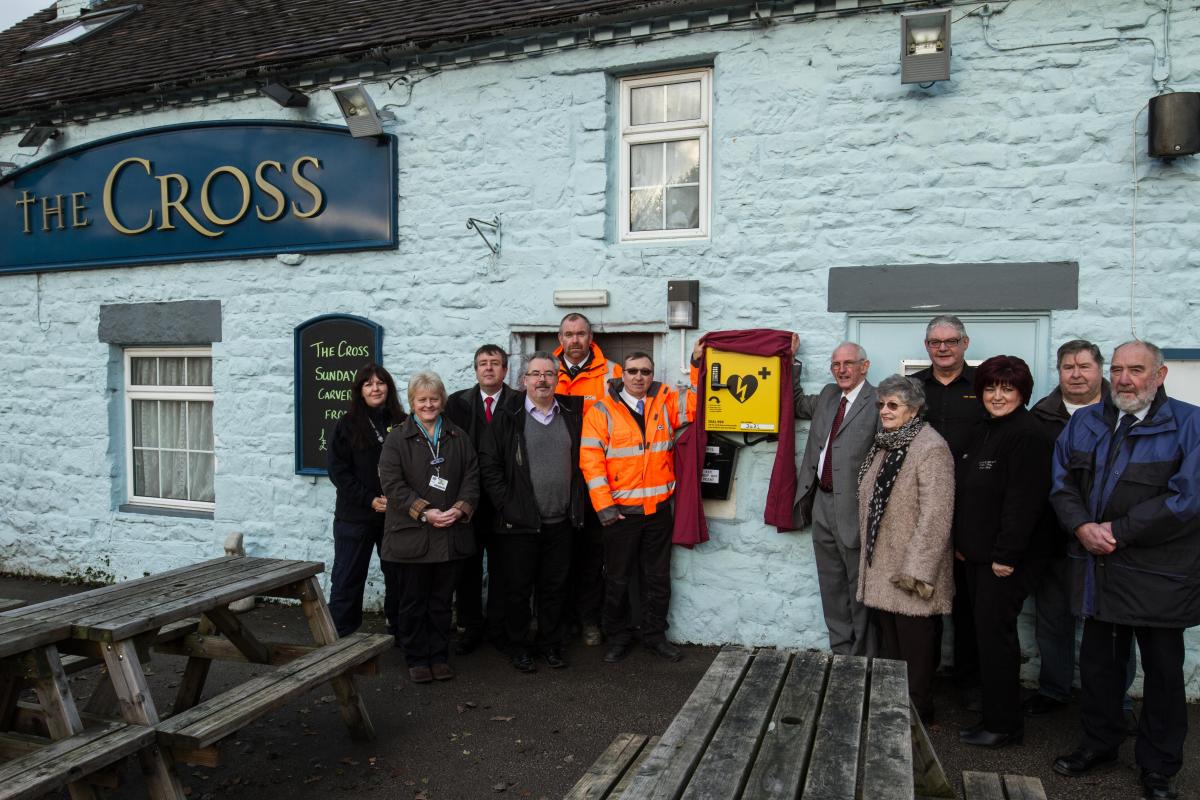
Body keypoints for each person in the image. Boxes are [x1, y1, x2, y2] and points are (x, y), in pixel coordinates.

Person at [1050, 341, 1200, 800]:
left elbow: (1187, 499)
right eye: (1117, 369)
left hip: (1159, 576)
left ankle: (1158, 767)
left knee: (1162, 676)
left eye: (1136, 370)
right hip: (1099, 571)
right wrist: (1081, 527)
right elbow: (1061, 484)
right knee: (1099, 669)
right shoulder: (1085, 423)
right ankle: (1099, 744)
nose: (1124, 379)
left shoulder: (1190, 424)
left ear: (1160, 374)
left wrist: (1115, 530)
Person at [953, 355, 1055, 747]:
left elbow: (1024, 504)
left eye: (1007, 388)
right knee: (984, 636)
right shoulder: (984, 428)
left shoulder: (1027, 435)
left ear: (1022, 392)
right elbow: (971, 494)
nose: (997, 395)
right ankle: (994, 715)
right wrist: (965, 546)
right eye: (991, 387)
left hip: (1005, 561)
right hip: (978, 556)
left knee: (997, 640)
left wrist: (1006, 557)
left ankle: (1004, 725)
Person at [580, 350, 694, 663]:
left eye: (645, 371)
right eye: (632, 371)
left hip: (657, 512)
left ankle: (655, 636)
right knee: (617, 578)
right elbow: (591, 463)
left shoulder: (665, 401)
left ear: (652, 374)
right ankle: (617, 636)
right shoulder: (601, 411)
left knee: (657, 578)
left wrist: (697, 365)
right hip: (619, 514)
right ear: (622, 375)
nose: (639, 377)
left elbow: (695, 406)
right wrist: (604, 507)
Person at [856, 374, 954, 722]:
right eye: (882, 404)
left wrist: (917, 569)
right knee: (893, 646)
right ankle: (896, 709)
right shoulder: (887, 443)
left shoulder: (930, 447)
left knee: (916, 646)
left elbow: (936, 514)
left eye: (893, 405)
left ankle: (917, 713)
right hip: (883, 564)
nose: (885, 410)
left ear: (913, 410)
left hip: (911, 569)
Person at [479, 352, 586, 672]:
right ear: (523, 380)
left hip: (561, 521)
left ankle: (551, 645)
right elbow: (489, 465)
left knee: (554, 588)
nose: (542, 380)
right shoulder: (508, 415)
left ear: (557, 379)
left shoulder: (571, 413)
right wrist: (508, 505)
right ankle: (519, 646)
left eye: (549, 374)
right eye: (535, 374)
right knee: (518, 590)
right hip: (519, 523)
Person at [1026, 340, 1112, 716]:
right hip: (1055, 537)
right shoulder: (1041, 416)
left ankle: (1115, 701)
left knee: (1110, 626)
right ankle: (1054, 689)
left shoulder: (1121, 412)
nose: (1075, 374)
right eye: (1067, 367)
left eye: (1084, 366)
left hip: (1108, 539)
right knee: (1052, 619)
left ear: (1099, 370)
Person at [378, 371, 479, 684]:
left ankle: (438, 655)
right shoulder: (397, 438)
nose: (428, 404)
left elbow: (472, 477)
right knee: (413, 602)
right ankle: (417, 657)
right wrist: (425, 513)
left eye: (434, 398)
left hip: (450, 533)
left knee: (440, 603)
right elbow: (393, 485)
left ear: (442, 400)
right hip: (413, 535)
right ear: (412, 402)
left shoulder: (458, 436)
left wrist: (460, 509)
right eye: (421, 399)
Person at [911, 314, 988, 703]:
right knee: (924, 592)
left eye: (951, 341)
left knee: (968, 600)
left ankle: (968, 682)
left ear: (965, 343)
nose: (943, 348)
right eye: (935, 342)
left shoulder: (983, 386)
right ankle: (926, 680)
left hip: (971, 506)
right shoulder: (914, 388)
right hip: (922, 507)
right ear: (927, 347)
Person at [793, 341, 880, 656]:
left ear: (864, 366)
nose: (842, 370)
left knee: (859, 589)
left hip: (856, 509)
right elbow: (796, 403)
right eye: (836, 365)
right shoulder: (829, 396)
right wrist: (790, 361)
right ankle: (841, 651)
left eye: (849, 363)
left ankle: (863, 657)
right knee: (831, 586)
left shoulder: (879, 402)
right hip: (822, 504)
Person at [555, 313, 622, 647]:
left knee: (593, 556)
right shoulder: (545, 370)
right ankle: (560, 622)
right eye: (569, 334)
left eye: (581, 333)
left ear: (591, 336)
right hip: (557, 478)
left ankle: (589, 621)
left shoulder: (614, 372)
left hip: (595, 478)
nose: (575, 340)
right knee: (558, 553)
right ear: (560, 338)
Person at [326, 363, 405, 639]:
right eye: (368, 383)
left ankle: (400, 630)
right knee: (348, 578)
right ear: (360, 390)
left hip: (395, 518)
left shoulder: (403, 422)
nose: (375, 388)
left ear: (388, 387)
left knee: (399, 577)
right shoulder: (346, 425)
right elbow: (338, 471)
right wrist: (369, 499)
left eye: (380, 382)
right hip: (354, 518)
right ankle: (340, 638)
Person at [444, 344, 514, 655]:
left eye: (495, 363)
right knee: (468, 569)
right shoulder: (457, 403)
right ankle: (470, 627)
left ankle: (499, 629)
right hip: (466, 500)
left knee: (503, 568)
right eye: (483, 364)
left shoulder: (518, 402)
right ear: (475, 370)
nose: (489, 368)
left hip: (503, 500)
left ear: (505, 370)